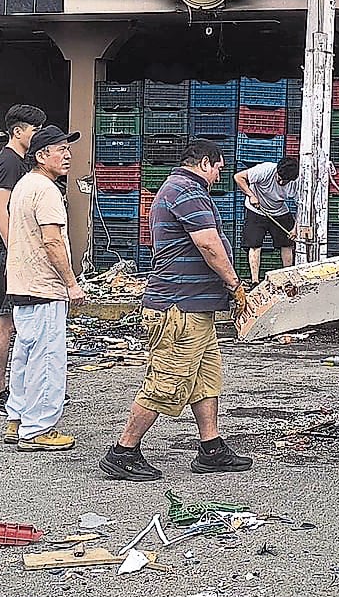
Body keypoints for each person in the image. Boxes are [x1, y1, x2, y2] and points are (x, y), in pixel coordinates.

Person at [101, 139, 255, 481]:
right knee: (166, 382)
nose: (218, 176)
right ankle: (123, 451)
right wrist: (234, 284)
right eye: (217, 168)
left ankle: (211, 448)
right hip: (178, 308)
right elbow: (208, 244)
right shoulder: (187, 190)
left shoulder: (178, 189)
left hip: (193, 309)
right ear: (204, 163)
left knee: (205, 380)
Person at [3, 125, 85, 451]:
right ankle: (38, 429)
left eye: (68, 149)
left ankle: (17, 419)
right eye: (60, 150)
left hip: (22, 283)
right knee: (47, 359)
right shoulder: (48, 190)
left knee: (24, 355)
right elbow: (52, 241)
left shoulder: (24, 185)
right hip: (45, 285)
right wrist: (71, 283)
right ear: (41, 156)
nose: (67, 155)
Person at [0, 104, 47, 420]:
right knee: (5, 321)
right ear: (18, 131)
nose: (36, 137)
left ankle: (20, 389)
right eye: (34, 131)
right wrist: (15, 249)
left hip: (11, 252)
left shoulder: (19, 161)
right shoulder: (8, 162)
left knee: (18, 322)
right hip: (4, 252)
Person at [233, 154, 301, 282]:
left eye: (285, 182)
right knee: (254, 244)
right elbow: (238, 177)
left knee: (287, 244)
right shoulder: (265, 170)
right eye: (279, 179)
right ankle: (255, 280)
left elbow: (301, 207)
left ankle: (289, 278)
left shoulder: (296, 183)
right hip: (256, 209)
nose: (281, 183)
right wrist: (251, 195)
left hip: (279, 210)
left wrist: (294, 228)